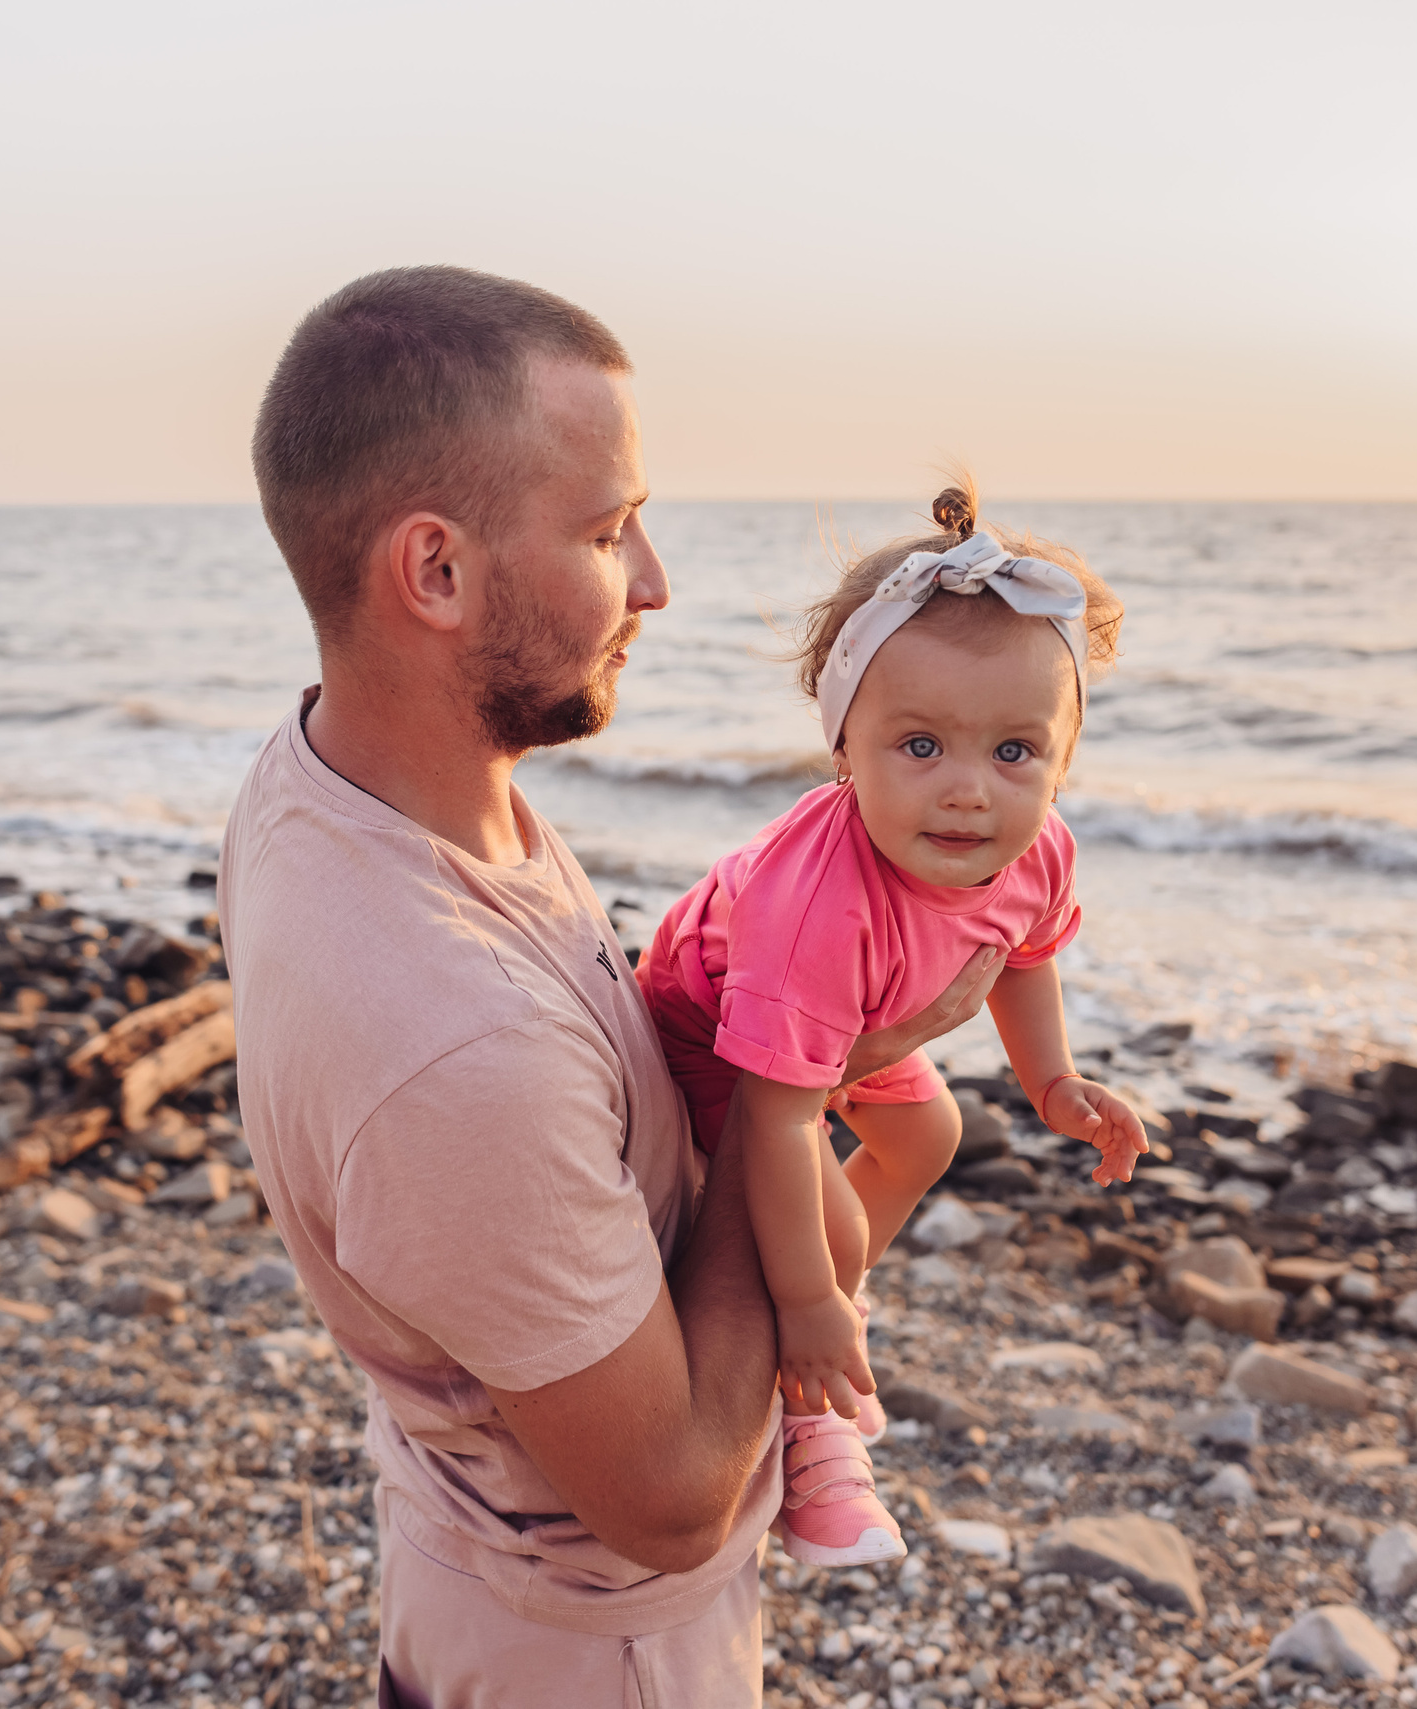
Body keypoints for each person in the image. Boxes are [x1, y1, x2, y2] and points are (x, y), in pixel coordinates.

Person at [217, 266, 1001, 1708]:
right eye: (605, 528)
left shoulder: (342, 785)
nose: (654, 579)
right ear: (436, 572)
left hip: (467, 1584)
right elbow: (672, 1496)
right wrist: (793, 1077)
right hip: (596, 1659)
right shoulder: (456, 1042)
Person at [636, 479, 1151, 1568]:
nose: (969, 792)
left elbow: (1026, 954)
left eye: (1015, 752)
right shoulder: (812, 904)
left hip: (840, 1024)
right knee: (823, 1234)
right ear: (843, 747)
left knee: (930, 1134)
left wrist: (1054, 1082)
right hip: (715, 1026)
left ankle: (817, 1323)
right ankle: (810, 1414)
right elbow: (781, 1119)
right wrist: (813, 1293)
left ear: (1059, 760)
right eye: (919, 746)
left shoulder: (1037, 844)